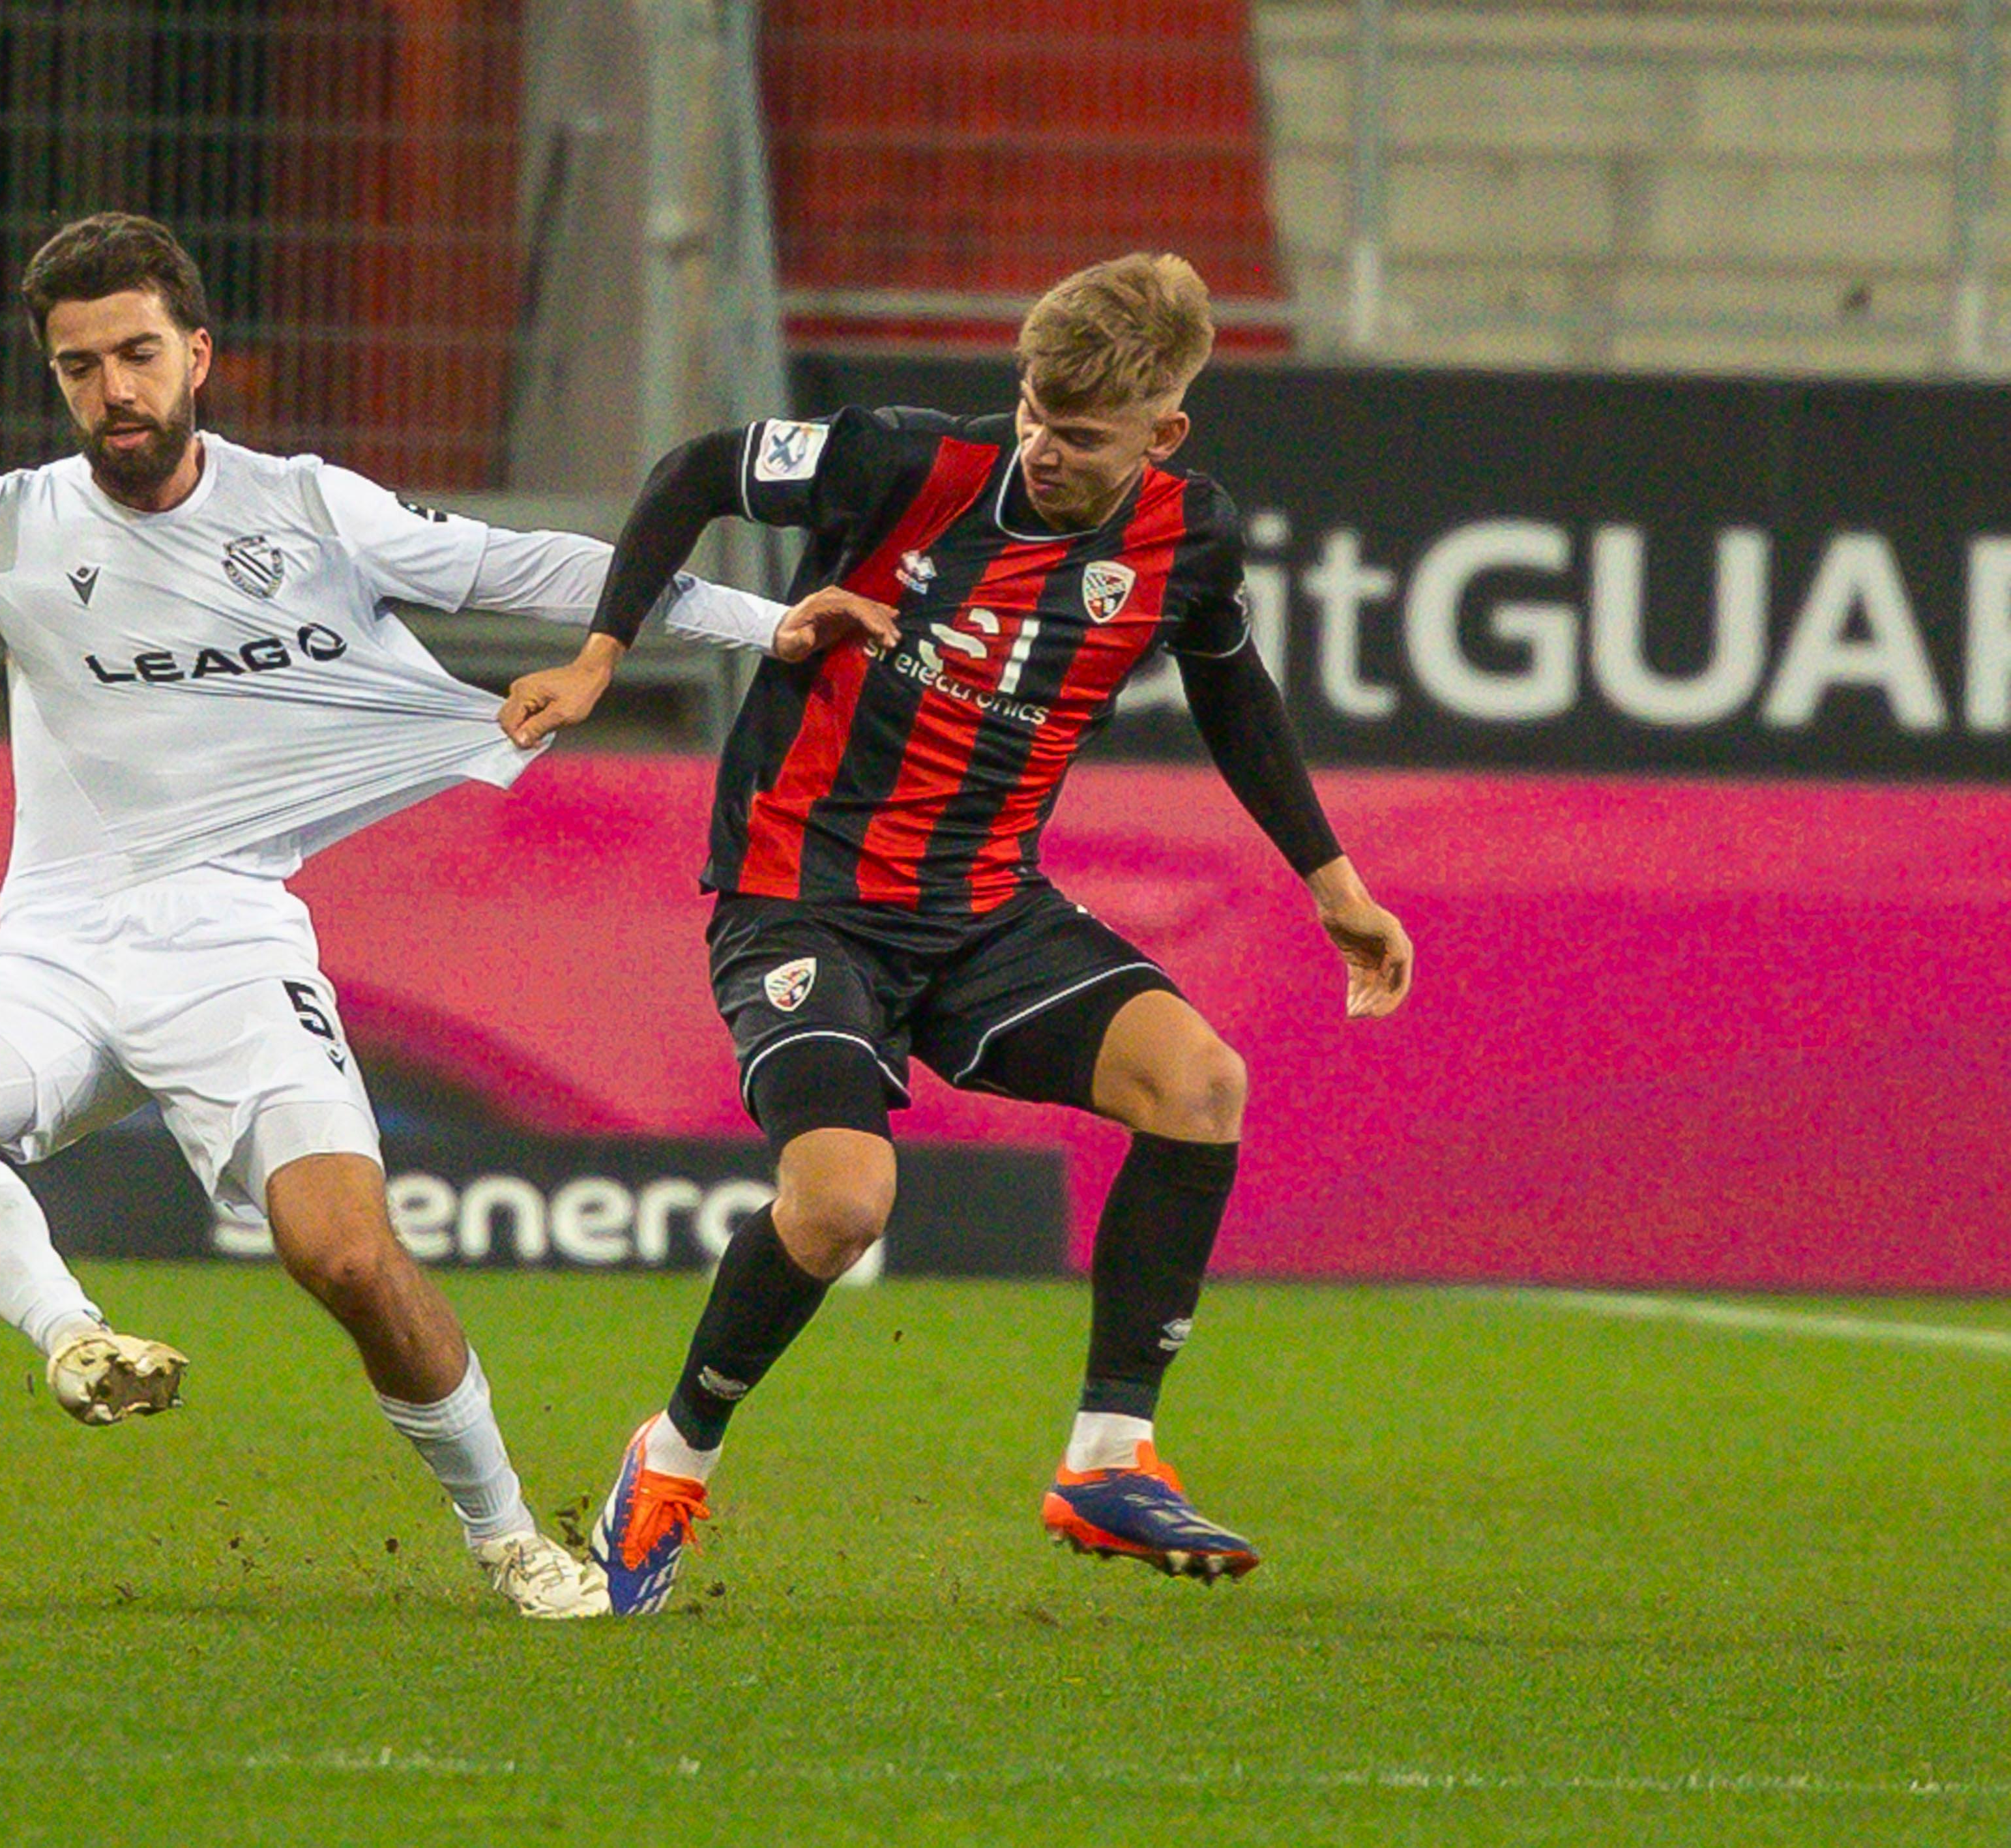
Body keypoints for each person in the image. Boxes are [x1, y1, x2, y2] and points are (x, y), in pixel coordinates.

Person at [0, 212, 892, 1619]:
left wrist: (762, 624)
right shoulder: (3, 528)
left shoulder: (307, 508)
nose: (113, 391)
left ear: (197, 354)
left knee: (347, 1255)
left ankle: (508, 1538)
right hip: (57, 947)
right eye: (80, 367)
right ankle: (75, 1339)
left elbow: (523, 567)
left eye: (138, 355)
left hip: (231, 947)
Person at [498, 252, 1415, 1613]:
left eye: (1082, 435)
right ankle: (673, 1456)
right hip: (800, 895)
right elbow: (694, 471)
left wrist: (1331, 881)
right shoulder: (901, 461)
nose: (1044, 448)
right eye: (1035, 412)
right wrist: (599, 656)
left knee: (1199, 1083)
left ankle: (1107, 1458)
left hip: (987, 911)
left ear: (1163, 434)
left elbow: (1230, 685)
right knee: (841, 1203)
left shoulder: (1189, 536)